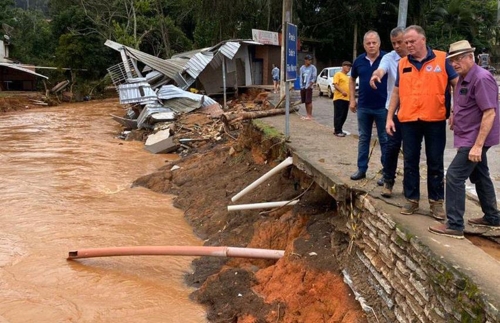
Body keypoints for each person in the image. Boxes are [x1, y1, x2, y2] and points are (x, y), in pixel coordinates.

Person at [429, 40, 500, 239]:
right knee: (480, 175)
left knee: (454, 176)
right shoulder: (464, 77)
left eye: (459, 59)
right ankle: (493, 217)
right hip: (468, 134)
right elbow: (464, 101)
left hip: (475, 138)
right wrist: (454, 114)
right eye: (452, 60)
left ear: (470, 57)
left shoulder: (481, 78)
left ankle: (454, 224)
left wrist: (477, 146)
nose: (455, 63)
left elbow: (489, 113)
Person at [386, 25, 458, 218]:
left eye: (411, 41)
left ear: (423, 40)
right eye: (406, 42)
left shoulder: (443, 59)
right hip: (409, 120)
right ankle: (412, 200)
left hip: (434, 119)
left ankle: (436, 202)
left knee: (435, 161)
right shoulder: (402, 64)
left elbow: (457, 84)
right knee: (410, 161)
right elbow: (396, 92)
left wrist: (457, 110)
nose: (408, 45)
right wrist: (389, 117)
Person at [370, 27, 408, 196]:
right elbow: (382, 69)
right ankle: (388, 181)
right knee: (391, 147)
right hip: (392, 110)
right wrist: (376, 75)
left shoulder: (415, 59)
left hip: (413, 111)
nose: (397, 46)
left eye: (400, 42)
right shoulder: (388, 58)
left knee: (411, 150)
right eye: (394, 43)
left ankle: (410, 186)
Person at [349, 30, 388, 181]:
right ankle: (361, 169)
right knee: (364, 138)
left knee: (385, 140)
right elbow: (351, 79)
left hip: (383, 107)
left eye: (374, 43)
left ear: (379, 43)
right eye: (368, 43)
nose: (371, 46)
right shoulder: (359, 61)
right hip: (364, 106)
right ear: (364, 45)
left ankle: (387, 172)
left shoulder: (387, 59)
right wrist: (352, 99)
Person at [332, 61, 351, 137]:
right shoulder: (338, 74)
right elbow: (335, 84)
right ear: (342, 66)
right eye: (346, 66)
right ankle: (337, 130)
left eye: (349, 66)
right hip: (339, 98)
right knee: (339, 114)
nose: (348, 68)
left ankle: (340, 129)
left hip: (346, 99)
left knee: (344, 115)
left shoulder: (347, 77)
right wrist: (342, 91)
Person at [299, 55, 317, 120]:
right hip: (303, 86)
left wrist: (310, 85)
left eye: (310, 60)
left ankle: (310, 115)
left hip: (308, 86)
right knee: (305, 101)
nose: (310, 61)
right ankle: (307, 115)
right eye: (308, 60)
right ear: (305, 60)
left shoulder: (313, 68)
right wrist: (301, 85)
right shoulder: (302, 68)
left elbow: (314, 77)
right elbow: (301, 76)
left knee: (309, 101)